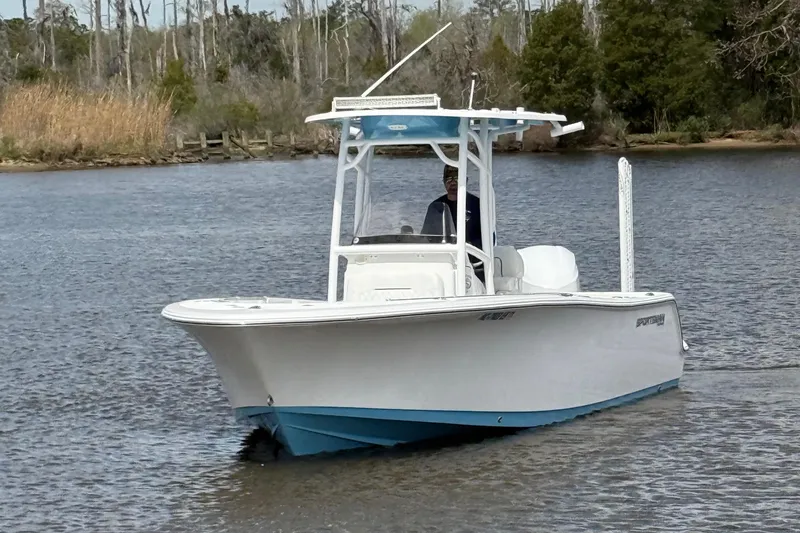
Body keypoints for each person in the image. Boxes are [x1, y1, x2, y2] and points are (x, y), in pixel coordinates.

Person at [421, 165, 483, 251]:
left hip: (471, 254)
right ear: (444, 182)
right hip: (444, 253)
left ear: (465, 181)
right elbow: (425, 238)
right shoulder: (435, 207)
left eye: (457, 179)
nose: (453, 183)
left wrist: (469, 246)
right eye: (449, 180)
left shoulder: (478, 205)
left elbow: (489, 237)